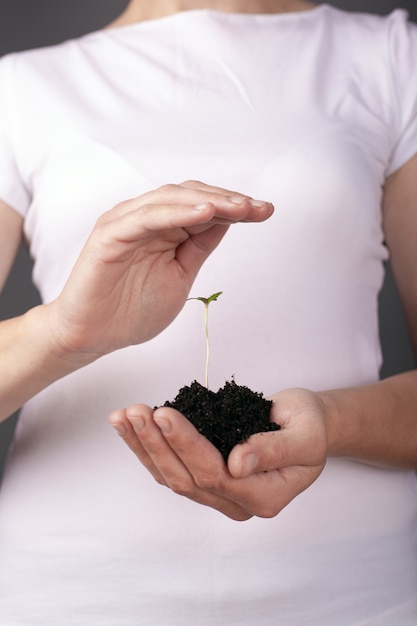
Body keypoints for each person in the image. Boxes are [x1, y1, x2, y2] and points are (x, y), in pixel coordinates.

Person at [0, 0, 416, 624]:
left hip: (356, 591)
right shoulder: (22, 87)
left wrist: (334, 421)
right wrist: (64, 333)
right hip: (72, 592)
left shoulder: (392, 59)